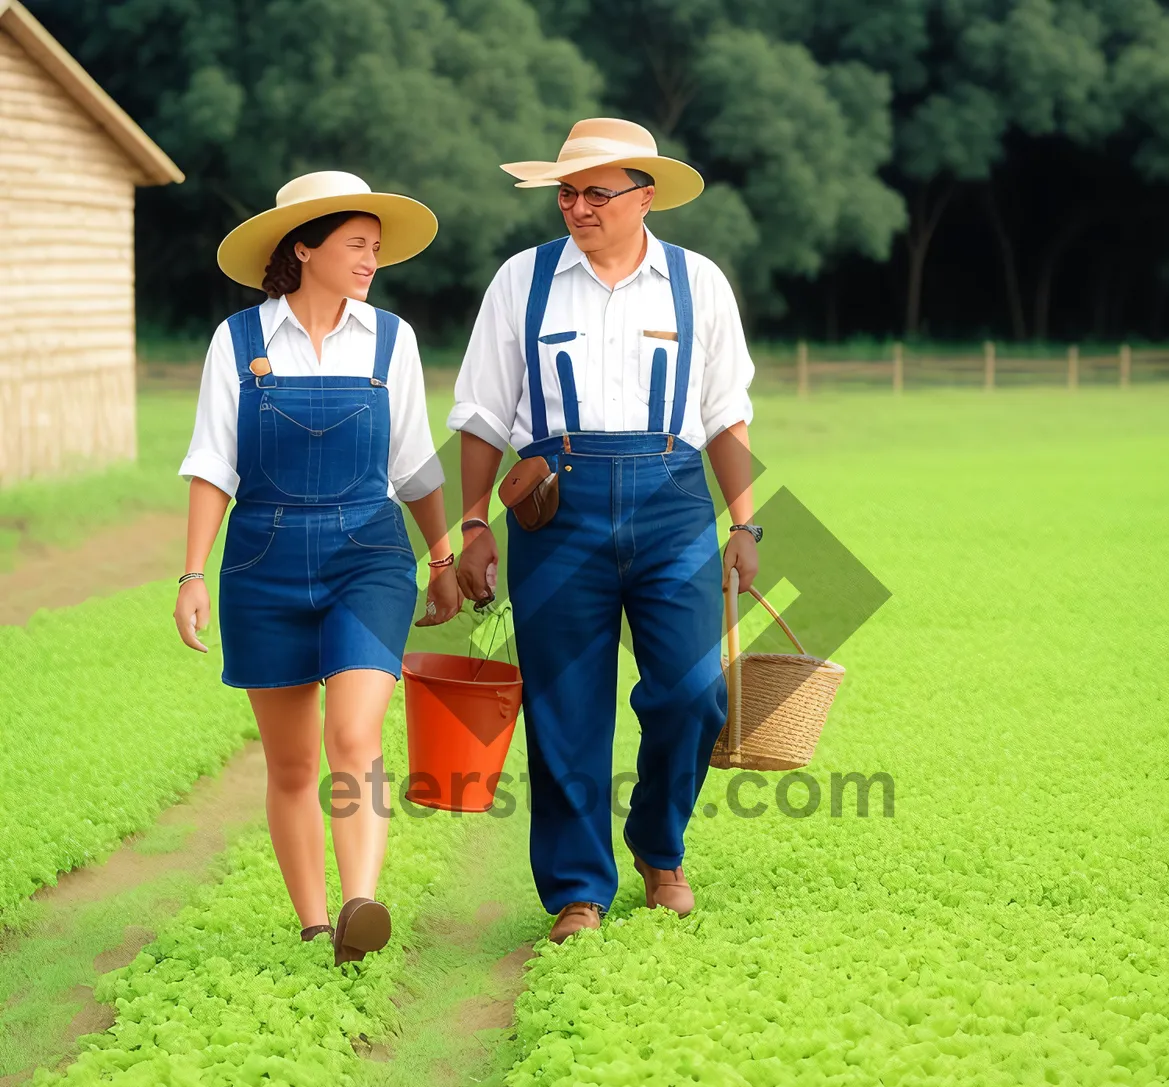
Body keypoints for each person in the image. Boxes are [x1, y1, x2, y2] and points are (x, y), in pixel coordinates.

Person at [449, 119, 761, 944]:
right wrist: (474, 523)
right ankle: (578, 890)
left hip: (672, 500)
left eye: (596, 191)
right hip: (555, 509)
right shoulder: (522, 281)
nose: (577, 206)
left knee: (695, 693)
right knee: (565, 706)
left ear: (644, 196)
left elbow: (726, 415)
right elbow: (481, 413)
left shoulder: (699, 285)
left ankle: (661, 847)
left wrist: (746, 521)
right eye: (567, 191)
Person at [173, 171, 461, 965]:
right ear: (305, 248)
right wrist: (192, 574)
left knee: (355, 729)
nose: (372, 259)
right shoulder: (238, 342)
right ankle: (312, 922)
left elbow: (414, 465)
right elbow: (211, 463)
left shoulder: (392, 340)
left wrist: (442, 559)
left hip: (369, 555)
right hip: (262, 562)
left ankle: (361, 902)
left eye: (375, 247)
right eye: (356, 245)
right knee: (293, 761)